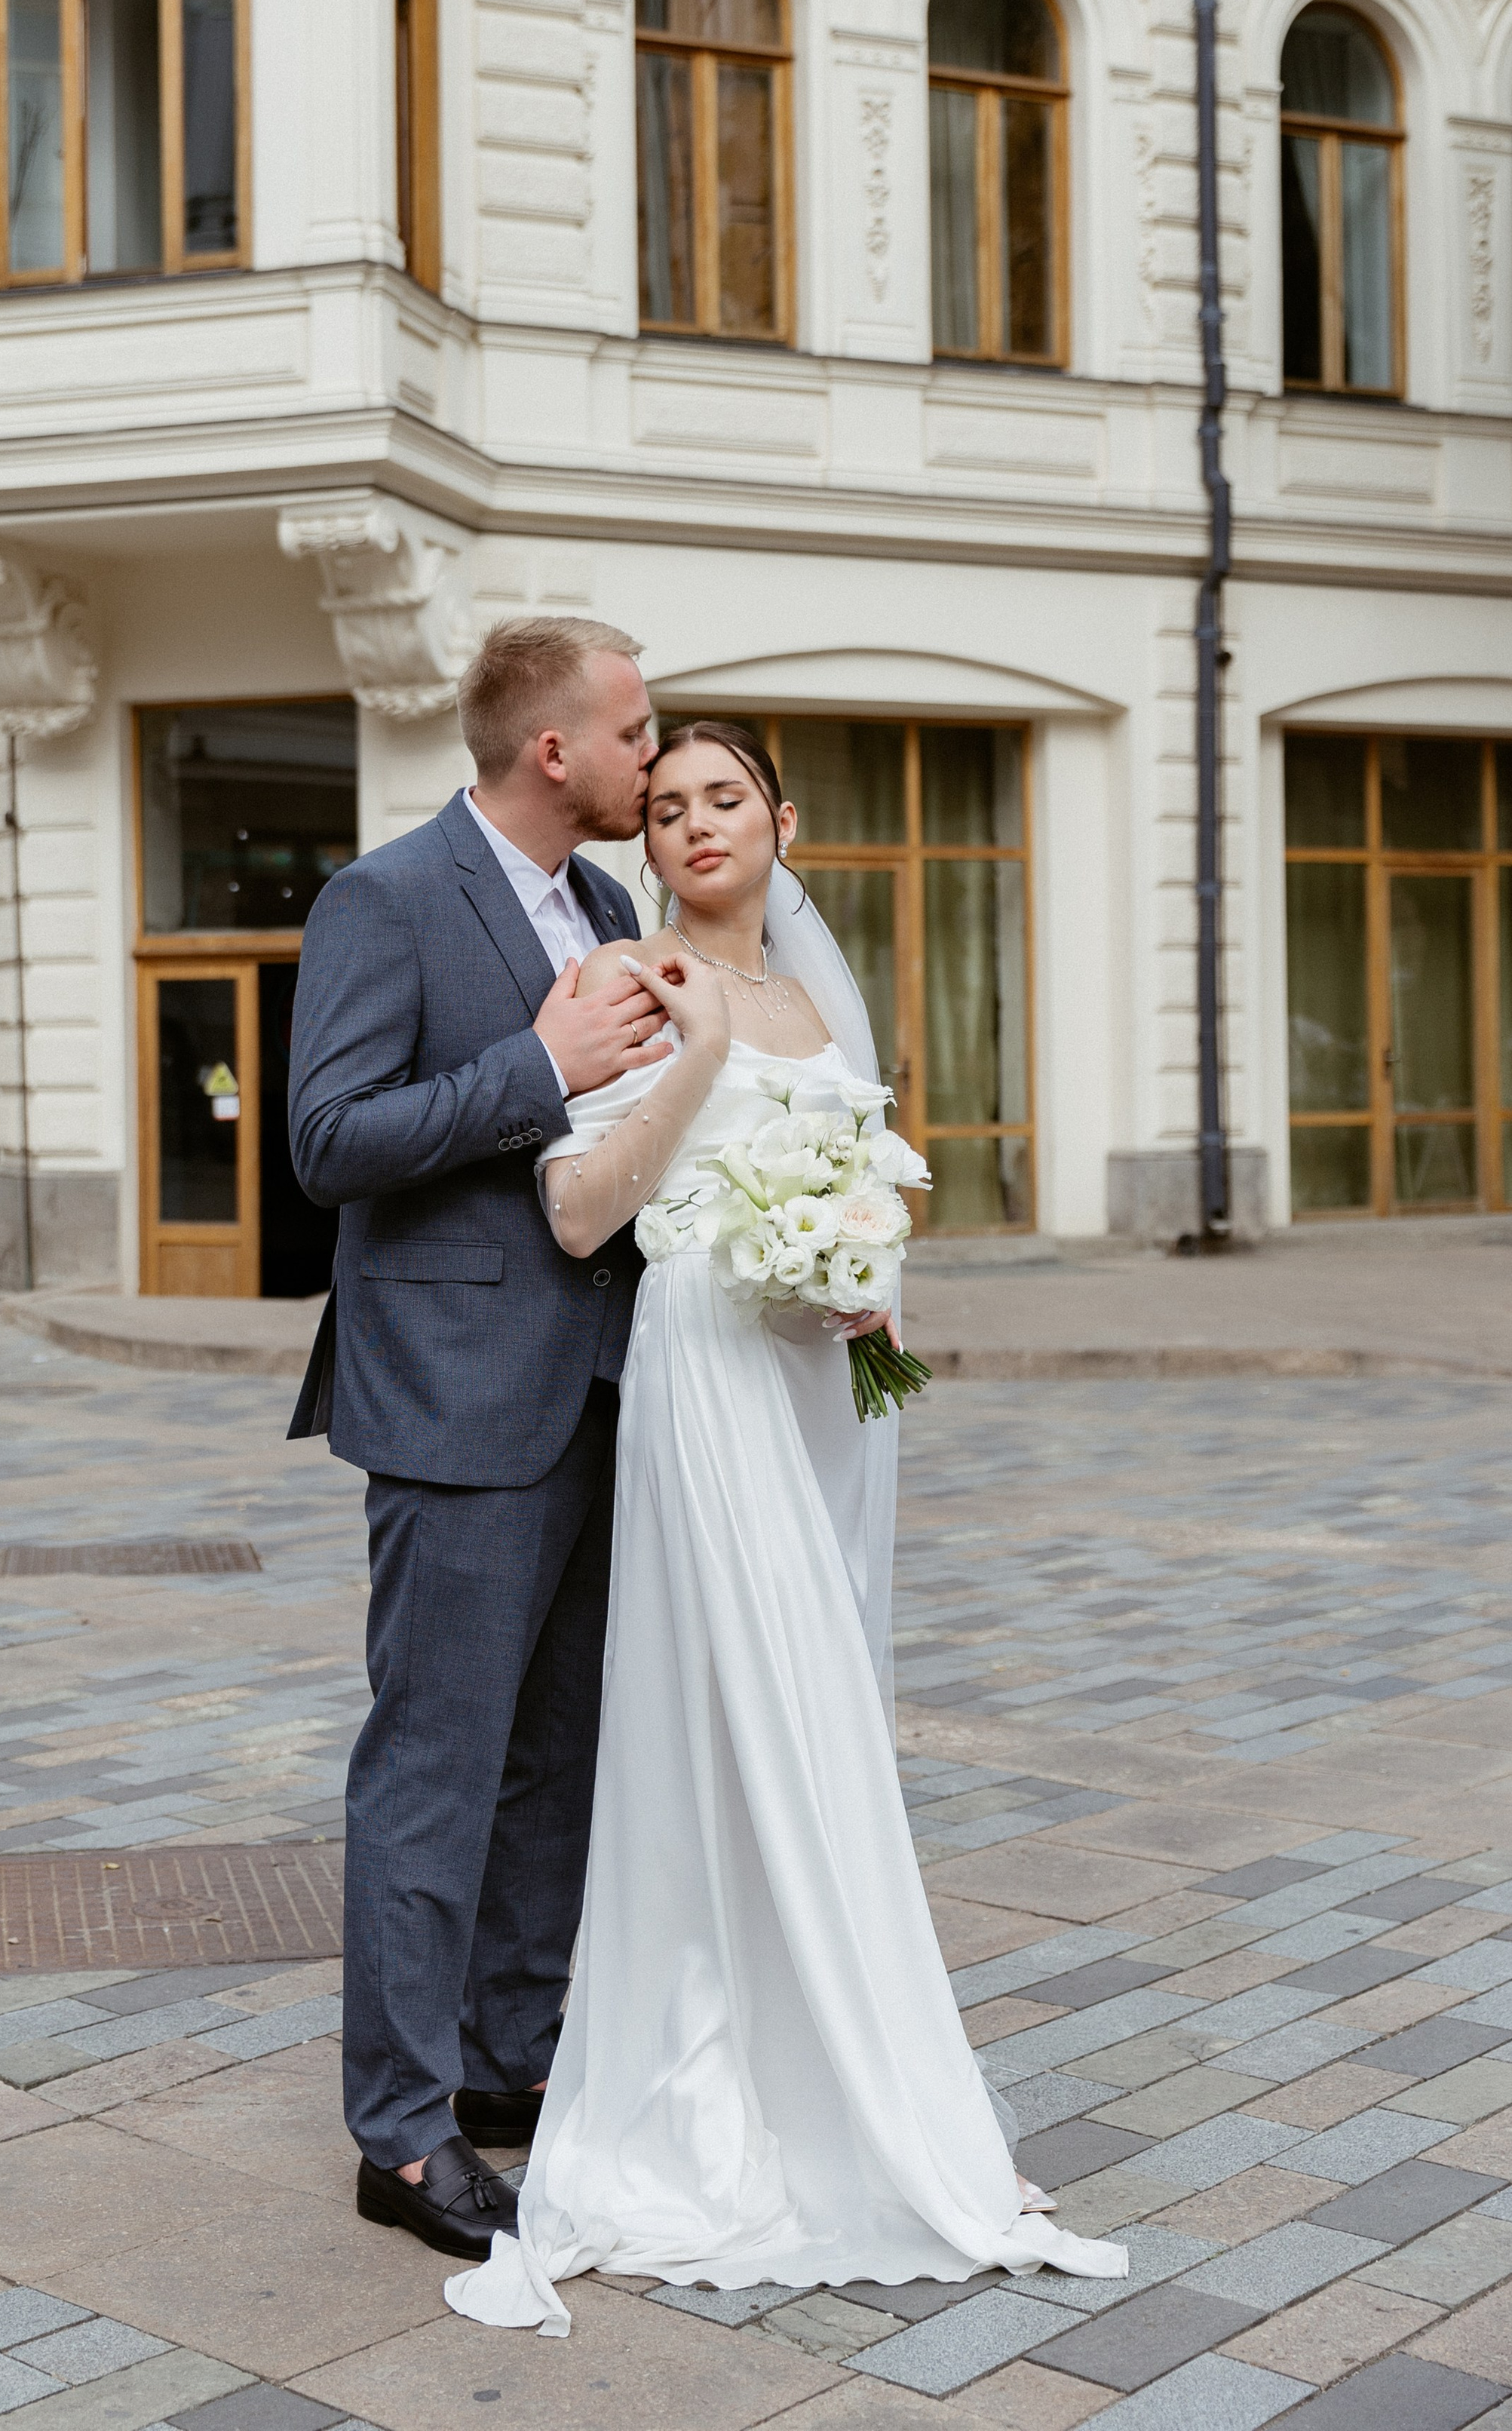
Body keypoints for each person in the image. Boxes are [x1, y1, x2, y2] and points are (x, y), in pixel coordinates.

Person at [445, 721, 1129, 2331]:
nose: (695, 824)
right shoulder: (624, 982)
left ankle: (856, 2086)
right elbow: (576, 1212)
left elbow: (865, 1183)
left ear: (780, 822)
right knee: (751, 1715)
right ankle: (752, 2105)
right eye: (667, 805)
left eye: (725, 799)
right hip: (703, 1377)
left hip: (818, 1391)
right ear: (644, 842)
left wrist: (864, 1275)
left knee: (825, 1718)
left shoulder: (817, 1002)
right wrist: (688, 1056)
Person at [287, 614, 672, 2262]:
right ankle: (398, 2131)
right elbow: (327, 1141)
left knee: (555, 1759)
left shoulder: (607, 905)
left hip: (603, 1391)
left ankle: (508, 2060)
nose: (654, 757)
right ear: (552, 749)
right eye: (636, 732)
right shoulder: (383, 899)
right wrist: (536, 1064)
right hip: (454, 1402)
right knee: (434, 1771)